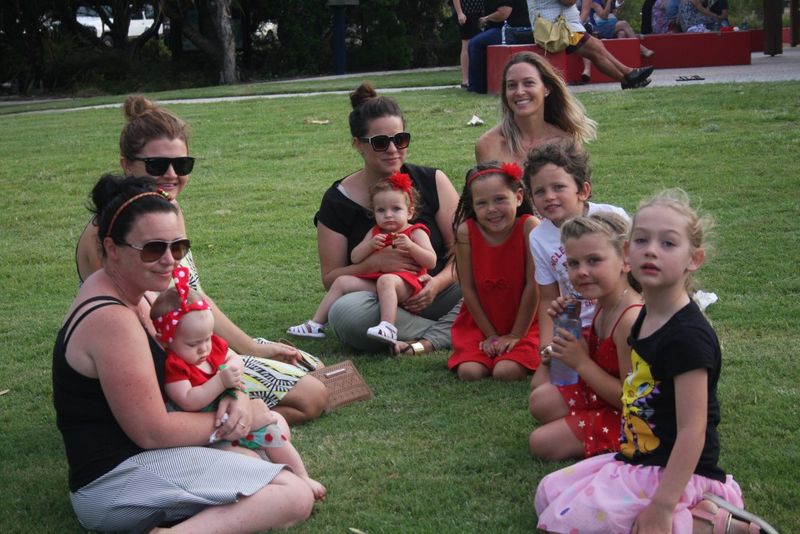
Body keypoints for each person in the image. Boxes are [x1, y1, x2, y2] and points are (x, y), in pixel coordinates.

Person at [53, 179, 314, 532]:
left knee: (266, 443)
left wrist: (236, 395)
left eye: (178, 247)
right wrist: (242, 418)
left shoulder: (143, 294)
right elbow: (153, 432)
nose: (169, 259)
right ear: (112, 248)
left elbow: (202, 363)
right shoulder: (112, 319)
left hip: (146, 458)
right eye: (152, 249)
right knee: (294, 495)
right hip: (114, 482)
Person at [534, 189, 777, 534]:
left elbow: (692, 431)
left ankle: (706, 522)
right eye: (642, 240)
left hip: (674, 469)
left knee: (565, 522)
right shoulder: (649, 316)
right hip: (639, 456)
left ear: (694, 259)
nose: (651, 249)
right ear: (627, 253)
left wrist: (662, 506)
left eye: (668, 243)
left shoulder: (687, 337)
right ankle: (693, 514)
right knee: (549, 492)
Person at [75, 96, 327, 424]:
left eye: (181, 165)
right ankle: (227, 423)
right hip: (169, 366)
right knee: (313, 396)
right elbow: (149, 329)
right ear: (127, 165)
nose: (171, 175)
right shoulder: (109, 234)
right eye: (156, 165)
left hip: (196, 343)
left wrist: (249, 348)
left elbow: (193, 296)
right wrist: (226, 368)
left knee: (315, 368)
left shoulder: (167, 210)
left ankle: (239, 407)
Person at [151, 267, 326, 501]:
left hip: (236, 417)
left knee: (275, 435)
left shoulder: (210, 347)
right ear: (165, 342)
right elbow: (188, 400)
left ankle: (302, 476)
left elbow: (232, 357)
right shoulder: (176, 366)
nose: (203, 349)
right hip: (211, 435)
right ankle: (274, 479)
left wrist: (233, 367)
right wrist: (220, 382)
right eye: (193, 344)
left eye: (207, 339)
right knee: (244, 459)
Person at [315, 82, 462, 355]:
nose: (393, 149)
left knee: (491, 277)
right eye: (381, 142)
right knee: (344, 315)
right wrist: (373, 264)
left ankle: (431, 333)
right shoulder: (337, 201)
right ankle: (451, 330)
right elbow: (331, 278)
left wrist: (437, 284)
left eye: (400, 139)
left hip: (437, 292)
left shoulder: (432, 180)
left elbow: (463, 251)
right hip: (377, 298)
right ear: (358, 145)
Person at [528, 212, 642, 461]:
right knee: (540, 400)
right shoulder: (604, 301)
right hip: (603, 394)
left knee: (541, 443)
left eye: (593, 260)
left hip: (636, 421)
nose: (582, 272)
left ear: (626, 259)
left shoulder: (630, 321)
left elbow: (633, 402)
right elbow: (594, 361)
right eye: (573, 263)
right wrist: (567, 329)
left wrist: (580, 362)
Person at [289, 172, 436, 344]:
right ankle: (315, 325)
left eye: (396, 209)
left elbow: (431, 261)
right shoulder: (375, 232)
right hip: (379, 283)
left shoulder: (415, 232)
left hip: (409, 285)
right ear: (374, 213)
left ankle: (388, 326)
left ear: (410, 212)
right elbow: (355, 257)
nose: (388, 215)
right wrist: (370, 246)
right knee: (342, 281)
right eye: (381, 210)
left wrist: (411, 246)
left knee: (387, 280)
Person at [523, 142, 629, 379]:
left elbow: (636, 275)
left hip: (619, 320)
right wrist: (546, 345)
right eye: (539, 191)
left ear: (583, 190)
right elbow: (548, 297)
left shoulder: (611, 217)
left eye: (558, 187)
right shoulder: (539, 237)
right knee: (540, 388)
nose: (549, 197)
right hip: (576, 327)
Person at [448, 161, 540, 381]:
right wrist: (491, 336)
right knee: (469, 372)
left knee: (506, 371)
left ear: (518, 197)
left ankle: (514, 350)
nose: (491, 209)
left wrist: (516, 335)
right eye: (482, 203)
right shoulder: (466, 232)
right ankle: (486, 349)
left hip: (527, 322)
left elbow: (533, 286)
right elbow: (468, 289)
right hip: (480, 322)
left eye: (500, 199)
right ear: (473, 205)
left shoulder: (529, 227)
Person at [475, 52, 597, 165]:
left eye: (529, 83)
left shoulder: (566, 144)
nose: (519, 92)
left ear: (546, 88)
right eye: (512, 85)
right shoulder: (489, 144)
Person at [527, 0, 655, 89]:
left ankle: (628, 77)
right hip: (556, 29)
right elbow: (569, 1)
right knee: (595, 50)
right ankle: (628, 76)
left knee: (597, 47)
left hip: (561, 27)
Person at [467, 0, 533, 94]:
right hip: (507, 29)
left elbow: (503, 13)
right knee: (478, 42)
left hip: (512, 31)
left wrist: (486, 18)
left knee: (475, 44)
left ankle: (477, 87)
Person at [588, 0, 655, 57]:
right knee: (623, 23)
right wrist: (609, 2)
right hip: (599, 28)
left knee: (621, 33)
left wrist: (619, 5)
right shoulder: (594, 2)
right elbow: (604, 17)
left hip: (610, 26)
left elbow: (614, 16)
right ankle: (641, 48)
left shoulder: (610, 1)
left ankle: (624, 58)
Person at [453, 0, 486, 88]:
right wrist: (460, 13)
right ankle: (465, 79)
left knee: (479, 44)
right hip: (466, 12)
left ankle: (477, 77)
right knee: (466, 44)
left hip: (479, 12)